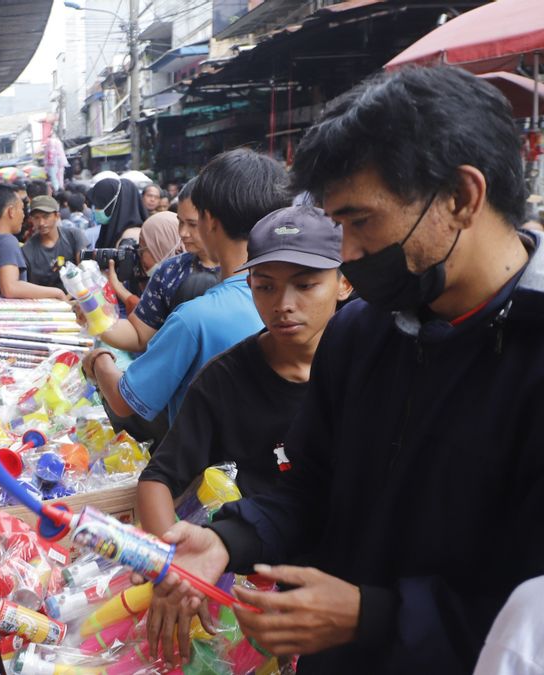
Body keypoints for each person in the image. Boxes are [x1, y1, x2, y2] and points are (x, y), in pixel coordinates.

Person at [147, 67, 544, 674]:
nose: (350, 254)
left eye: (361, 222)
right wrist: (228, 538)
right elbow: (308, 484)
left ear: (462, 198)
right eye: (339, 227)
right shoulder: (363, 333)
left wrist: (373, 615)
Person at [136, 205, 351, 538]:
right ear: (250, 284)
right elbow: (159, 478)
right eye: (266, 287)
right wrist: (172, 560)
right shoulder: (223, 379)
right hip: (245, 563)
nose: (283, 304)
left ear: (344, 283)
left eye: (305, 285)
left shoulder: (367, 368)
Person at [82, 148, 288, 429]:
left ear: (210, 221)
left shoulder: (194, 319)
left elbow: (123, 400)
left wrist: (99, 360)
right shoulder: (293, 302)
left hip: (202, 469)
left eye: (193, 221)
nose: (184, 233)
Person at [93, 178, 220, 353]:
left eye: (192, 224)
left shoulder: (248, 273)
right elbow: (139, 335)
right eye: (180, 222)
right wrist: (92, 314)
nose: (182, 233)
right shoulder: (170, 270)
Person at [0, 184, 66, 299]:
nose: (24, 215)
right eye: (21, 209)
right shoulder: (6, 241)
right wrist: (57, 293)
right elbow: (10, 288)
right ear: (11, 211)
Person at [105, 211, 182, 314]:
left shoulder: (184, 284)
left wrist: (119, 289)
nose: (138, 254)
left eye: (142, 249)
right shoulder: (141, 278)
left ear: (163, 247)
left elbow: (152, 322)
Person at [22, 195, 89, 289]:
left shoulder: (74, 236)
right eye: (36, 218)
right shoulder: (27, 250)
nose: (41, 223)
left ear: (57, 216)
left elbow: (84, 271)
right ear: (31, 219)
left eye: (46, 217)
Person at [89, 177, 145, 249]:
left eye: (100, 205)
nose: (95, 210)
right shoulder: (110, 229)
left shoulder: (131, 236)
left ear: (112, 204)